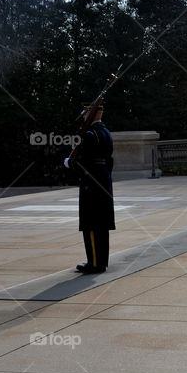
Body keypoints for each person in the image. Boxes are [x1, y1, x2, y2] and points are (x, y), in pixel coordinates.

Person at [65, 103, 115, 273]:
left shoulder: (89, 134)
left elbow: (84, 161)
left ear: (91, 115)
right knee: (102, 223)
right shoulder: (106, 132)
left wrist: (69, 163)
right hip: (104, 178)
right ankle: (101, 261)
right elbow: (109, 161)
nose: (84, 117)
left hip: (91, 181)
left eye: (86, 114)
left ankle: (94, 263)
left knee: (91, 223)